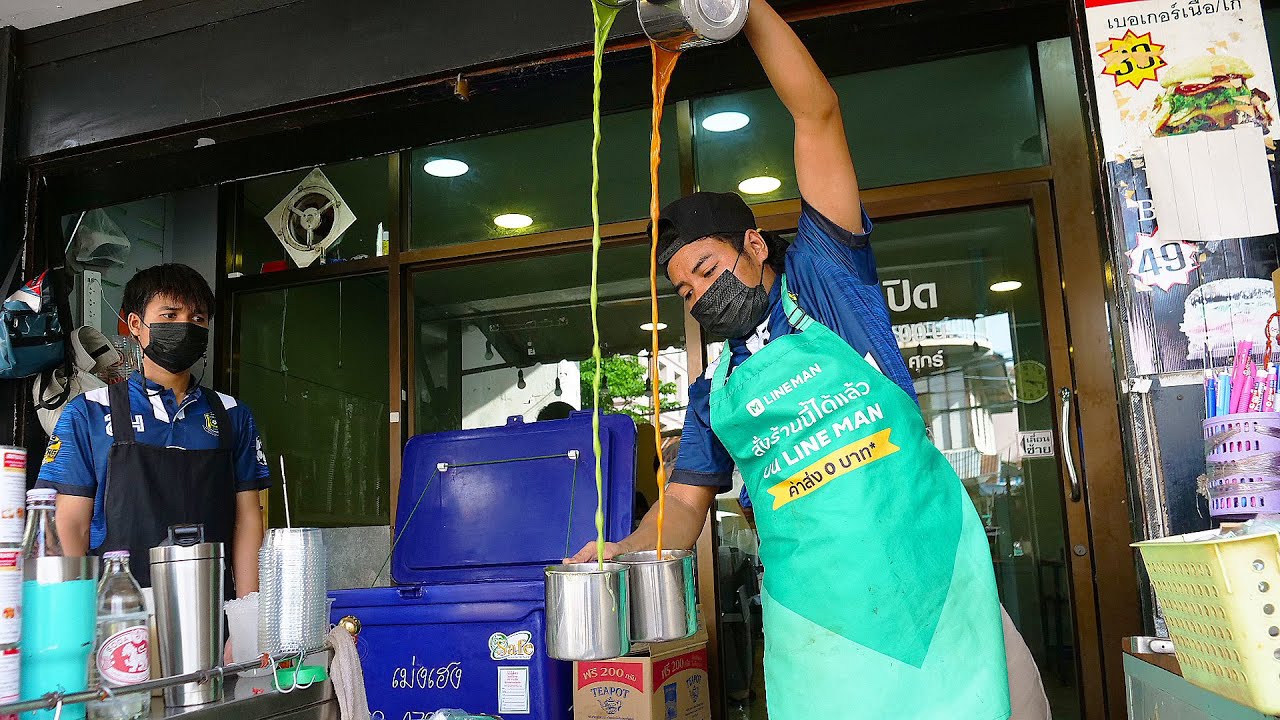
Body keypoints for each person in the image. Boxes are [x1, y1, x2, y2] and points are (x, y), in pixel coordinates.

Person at [567, 3, 1050, 719]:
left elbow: (818, 112)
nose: (699, 293)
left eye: (706, 267)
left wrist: (744, 6)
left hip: (938, 587)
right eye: (685, 288)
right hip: (821, 628)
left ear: (756, 246)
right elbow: (683, 509)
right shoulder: (712, 394)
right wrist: (620, 548)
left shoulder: (829, 285)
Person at [37, 264, 270, 601]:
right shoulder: (87, 413)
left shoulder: (233, 415)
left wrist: (248, 616)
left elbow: (248, 522)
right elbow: (70, 524)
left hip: (211, 613)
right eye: (170, 315)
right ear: (136, 325)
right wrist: (80, 622)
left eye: (198, 318)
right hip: (118, 617)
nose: (185, 327)